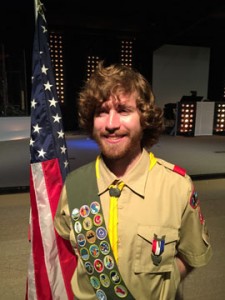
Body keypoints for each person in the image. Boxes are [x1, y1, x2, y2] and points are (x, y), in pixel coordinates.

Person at [54, 61, 212, 300]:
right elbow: (68, 249)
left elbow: (191, 255)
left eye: (124, 110)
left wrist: (164, 288)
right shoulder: (75, 185)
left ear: (144, 118)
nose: (111, 124)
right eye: (101, 112)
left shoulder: (176, 186)